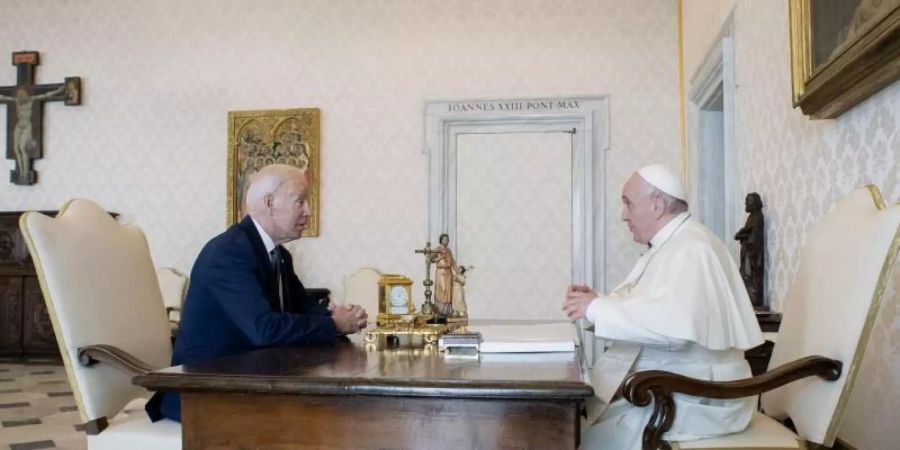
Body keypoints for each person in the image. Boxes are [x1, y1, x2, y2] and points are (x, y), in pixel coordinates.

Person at [146, 164, 368, 422]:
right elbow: (264, 329)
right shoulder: (229, 253)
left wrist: (340, 316)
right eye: (301, 202)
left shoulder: (279, 255)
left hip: (246, 380)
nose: (308, 212)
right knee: (316, 420)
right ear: (270, 202)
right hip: (201, 392)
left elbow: (301, 307)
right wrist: (333, 324)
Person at [563, 164, 762, 450]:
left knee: (581, 437)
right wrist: (600, 302)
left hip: (699, 396)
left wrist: (597, 308)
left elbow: (671, 327)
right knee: (574, 426)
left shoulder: (691, 248)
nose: (623, 215)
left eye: (628, 204)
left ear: (656, 205)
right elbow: (656, 310)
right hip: (675, 385)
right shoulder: (674, 244)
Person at [734, 192, 765, 309]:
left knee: (749, 277)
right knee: (744, 275)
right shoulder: (751, 217)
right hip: (747, 253)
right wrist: (742, 233)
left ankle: (753, 300)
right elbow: (748, 230)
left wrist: (742, 236)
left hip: (752, 256)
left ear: (754, 203)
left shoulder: (758, 217)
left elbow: (754, 238)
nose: (745, 204)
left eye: (748, 202)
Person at [432, 233, 459, 316]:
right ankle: (440, 310)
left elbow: (453, 261)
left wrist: (457, 271)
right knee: (442, 290)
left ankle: (447, 311)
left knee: (448, 291)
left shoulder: (449, 250)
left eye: (447, 240)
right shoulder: (437, 249)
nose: (446, 241)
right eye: (445, 240)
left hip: (448, 272)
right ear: (441, 240)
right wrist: (441, 257)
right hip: (441, 272)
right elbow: (432, 260)